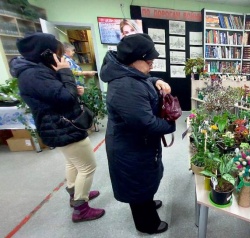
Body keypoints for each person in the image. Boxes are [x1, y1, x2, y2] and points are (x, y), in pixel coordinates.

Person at [9, 33, 105, 223]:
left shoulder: (34, 70)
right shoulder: (34, 74)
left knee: (73, 163)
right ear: (45, 53)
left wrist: (70, 86)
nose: (61, 57)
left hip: (58, 125)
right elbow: (65, 99)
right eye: (57, 52)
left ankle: (74, 194)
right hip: (63, 126)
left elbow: (57, 94)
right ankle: (81, 208)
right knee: (87, 167)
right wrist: (66, 74)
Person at [100, 33, 176, 234]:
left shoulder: (127, 73)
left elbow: (144, 79)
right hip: (130, 147)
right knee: (137, 182)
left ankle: (147, 201)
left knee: (144, 179)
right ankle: (147, 224)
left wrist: (156, 80)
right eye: (148, 59)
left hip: (134, 144)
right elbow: (146, 124)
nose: (152, 63)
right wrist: (170, 125)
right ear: (134, 60)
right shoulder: (126, 86)